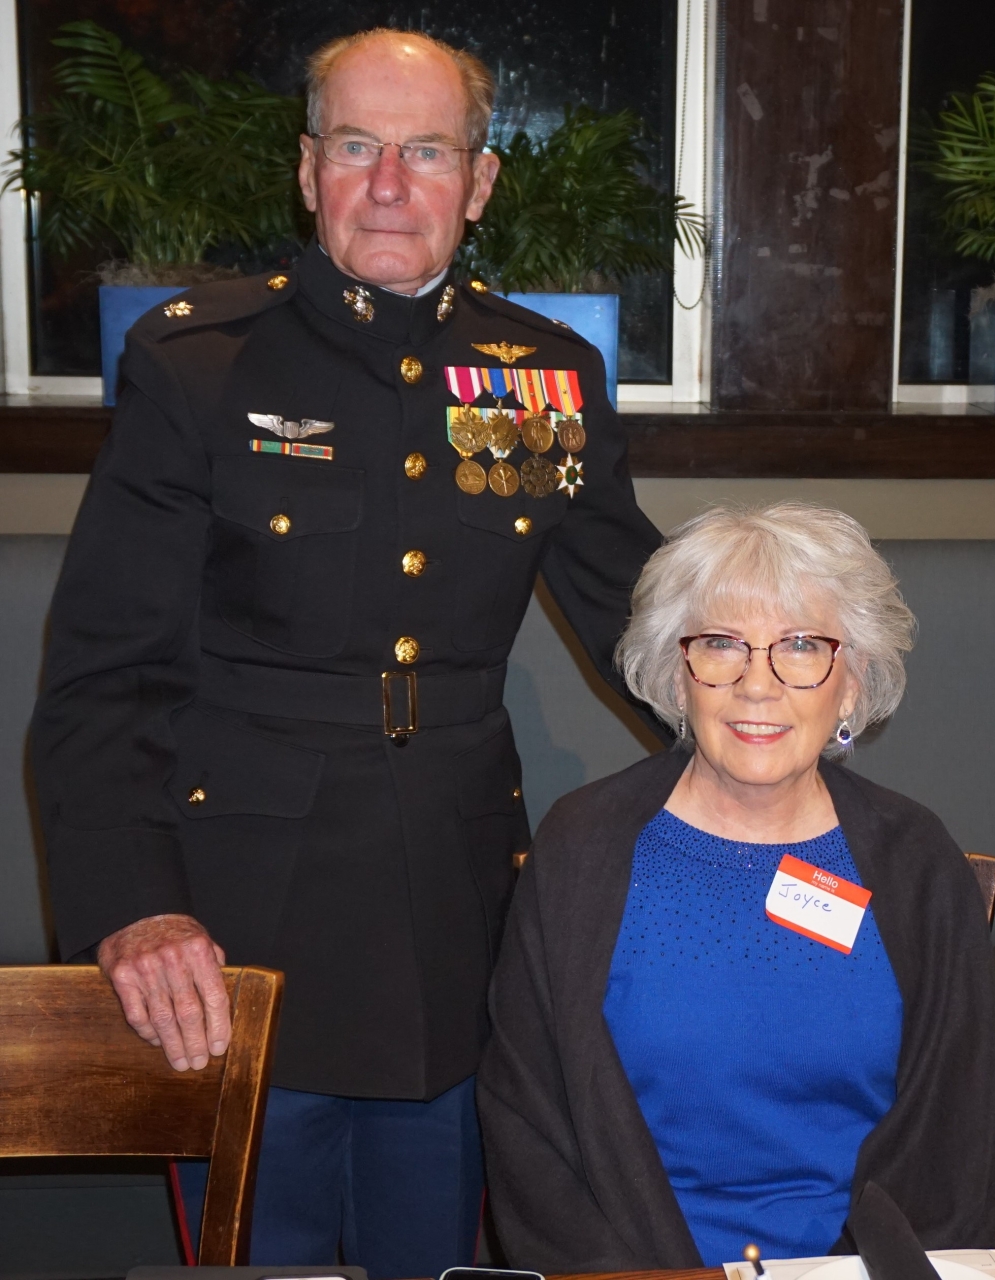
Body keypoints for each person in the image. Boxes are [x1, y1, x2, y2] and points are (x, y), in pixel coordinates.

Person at [30, 27, 665, 1274]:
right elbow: (104, 673)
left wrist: (791, 733)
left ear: (478, 183)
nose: (388, 184)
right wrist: (135, 905)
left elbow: (644, 617)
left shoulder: (545, 377)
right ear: (308, 168)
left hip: (458, 922)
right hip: (236, 929)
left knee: (443, 1256)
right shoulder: (199, 364)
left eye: (426, 152)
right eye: (358, 146)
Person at [477, 502, 995, 1271]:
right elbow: (527, 1125)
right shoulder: (582, 847)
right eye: (720, 645)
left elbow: (964, 1131)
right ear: (677, 676)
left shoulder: (915, 860)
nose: (755, 685)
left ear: (851, 684)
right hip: (633, 1269)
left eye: (800, 646)